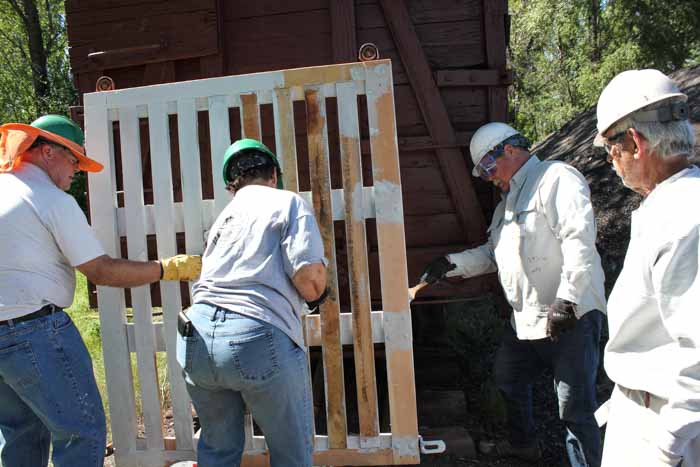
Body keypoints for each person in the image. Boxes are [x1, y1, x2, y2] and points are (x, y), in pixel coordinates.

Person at [0, 115, 202, 467]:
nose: (77, 169)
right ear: (48, 151)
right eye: (74, 158)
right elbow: (100, 270)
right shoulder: (49, 199)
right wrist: (165, 268)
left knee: (23, 432)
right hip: (35, 332)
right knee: (83, 431)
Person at [420, 122, 607, 466]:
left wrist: (567, 299)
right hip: (528, 320)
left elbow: (578, 239)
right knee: (509, 377)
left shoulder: (556, 178)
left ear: (509, 150)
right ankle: (525, 448)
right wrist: (451, 263)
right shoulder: (504, 207)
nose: (489, 177)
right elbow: (494, 254)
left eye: (488, 167)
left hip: (570, 315)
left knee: (574, 407)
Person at [178, 138, 328, 467]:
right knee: (292, 455)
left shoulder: (224, 218)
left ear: (232, 186)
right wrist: (320, 292)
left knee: (218, 452)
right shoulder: (288, 202)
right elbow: (309, 278)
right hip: (256, 334)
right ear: (273, 174)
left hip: (196, 337)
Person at [594, 69, 700, 467]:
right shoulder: (672, 207)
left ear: (635, 143)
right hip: (653, 413)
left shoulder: (684, 218)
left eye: (611, 151)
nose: (612, 163)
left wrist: (664, 449)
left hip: (668, 429)